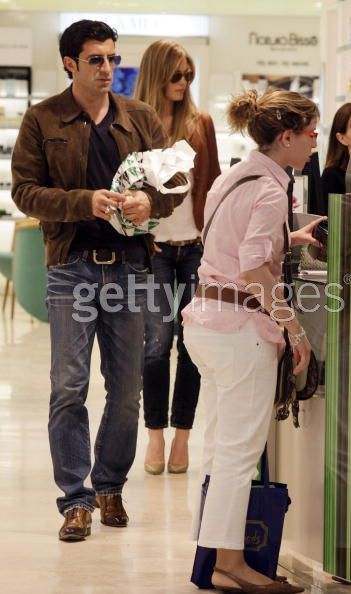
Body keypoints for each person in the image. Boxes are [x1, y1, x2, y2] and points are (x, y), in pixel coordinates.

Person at [11, 20, 187, 542]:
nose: (107, 68)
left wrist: (150, 202)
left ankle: (110, 486)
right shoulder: (43, 118)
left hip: (131, 266)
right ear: (70, 63)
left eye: (112, 58)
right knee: (69, 385)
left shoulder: (140, 117)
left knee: (127, 388)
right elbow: (24, 191)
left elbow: (174, 184)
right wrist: (83, 201)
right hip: (72, 267)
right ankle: (75, 499)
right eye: (95, 59)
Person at [182, 89, 324, 594]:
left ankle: (214, 556)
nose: (314, 143)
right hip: (240, 329)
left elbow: (227, 240)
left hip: (206, 322)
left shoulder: (234, 176)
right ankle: (231, 564)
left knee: (221, 447)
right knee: (239, 453)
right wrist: (293, 327)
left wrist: (288, 237)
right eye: (310, 133)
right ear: (286, 136)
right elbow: (252, 268)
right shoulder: (270, 189)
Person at [133, 40, 221, 475]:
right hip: (153, 249)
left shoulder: (200, 123)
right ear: (157, 75)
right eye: (176, 75)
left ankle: (182, 437)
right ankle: (155, 435)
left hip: (194, 247)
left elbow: (214, 183)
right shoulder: (135, 123)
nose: (183, 83)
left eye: (188, 75)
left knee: (192, 345)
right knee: (155, 344)